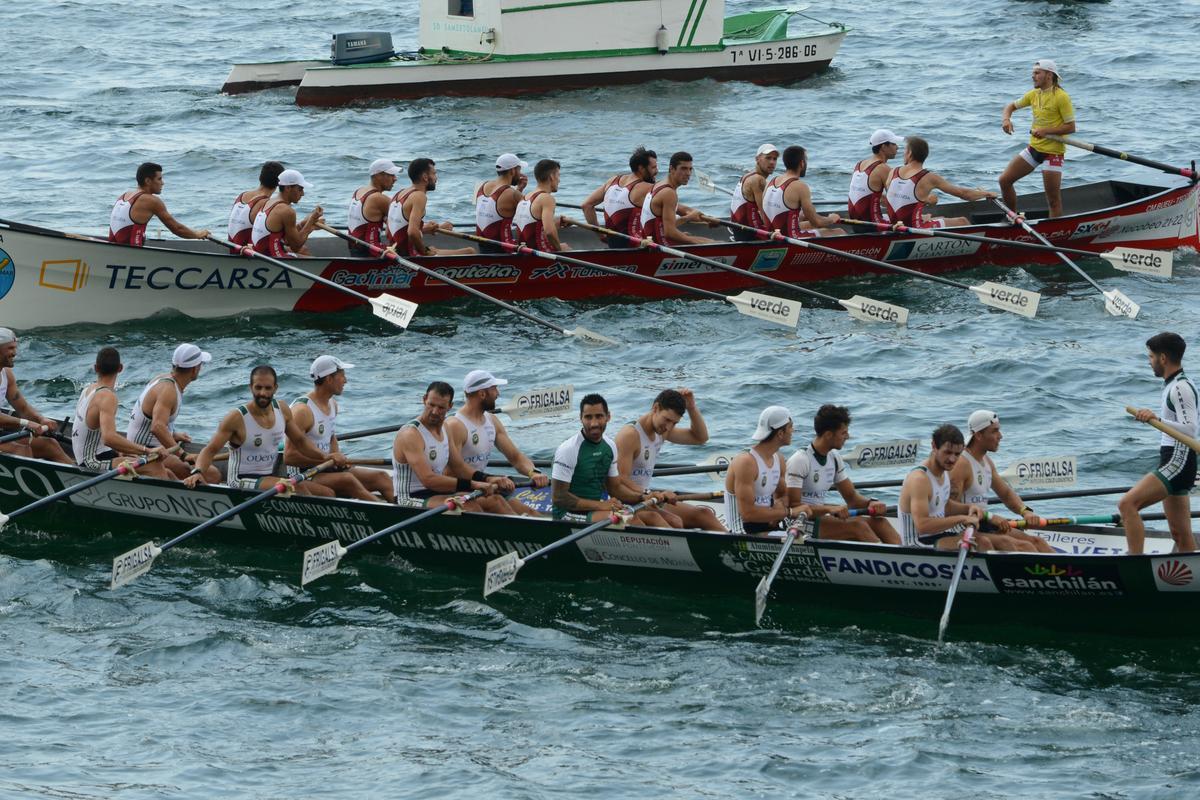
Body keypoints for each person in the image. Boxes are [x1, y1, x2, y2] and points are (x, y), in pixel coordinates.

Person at [183, 365, 345, 495]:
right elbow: (210, 450)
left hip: (267, 478)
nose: (262, 393)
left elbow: (301, 441)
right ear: (250, 387)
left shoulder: (282, 409)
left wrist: (326, 456)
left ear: (275, 388)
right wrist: (197, 472)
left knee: (327, 493)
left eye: (268, 388)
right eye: (258, 387)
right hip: (240, 480)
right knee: (299, 488)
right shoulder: (237, 418)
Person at [1119, 332, 1198, 555]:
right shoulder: (1173, 385)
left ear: (1163, 358)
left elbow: (1190, 429)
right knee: (1181, 534)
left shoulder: (1180, 387)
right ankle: (1191, 580)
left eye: (1151, 356)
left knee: (1127, 505)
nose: (1149, 361)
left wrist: (1155, 420)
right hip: (1175, 459)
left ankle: (1134, 563)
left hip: (1178, 460)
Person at [284, 356, 394, 502]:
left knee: (382, 477)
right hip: (303, 474)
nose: (346, 380)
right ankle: (391, 514)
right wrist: (327, 460)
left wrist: (336, 455)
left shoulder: (332, 404)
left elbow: (331, 437)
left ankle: (406, 509)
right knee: (347, 479)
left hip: (326, 467)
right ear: (329, 379)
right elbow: (289, 457)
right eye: (342, 375)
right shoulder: (302, 411)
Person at [551, 393, 671, 526]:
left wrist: (643, 497)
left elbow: (615, 488)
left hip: (594, 509)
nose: (594, 423)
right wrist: (601, 506)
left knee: (653, 517)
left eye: (599, 416)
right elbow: (559, 498)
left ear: (608, 417)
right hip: (567, 513)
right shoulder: (568, 449)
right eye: (588, 417)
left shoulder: (610, 446)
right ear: (580, 418)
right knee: (631, 520)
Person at [785, 404, 899, 543]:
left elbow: (852, 499)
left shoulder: (834, 457)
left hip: (820, 517)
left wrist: (872, 502)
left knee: (880, 522)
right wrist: (830, 508)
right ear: (828, 435)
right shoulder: (800, 460)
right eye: (843, 433)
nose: (848, 436)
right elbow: (794, 507)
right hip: (799, 523)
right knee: (858, 527)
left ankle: (908, 559)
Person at [615, 388, 724, 531]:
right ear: (655, 408)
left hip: (648, 497)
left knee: (704, 514)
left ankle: (739, 546)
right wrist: (648, 493)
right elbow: (621, 479)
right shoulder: (630, 435)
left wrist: (691, 407)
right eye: (667, 419)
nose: (669, 427)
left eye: (674, 423)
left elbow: (700, 438)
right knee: (675, 522)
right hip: (625, 500)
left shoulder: (662, 431)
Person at [445, 369, 549, 515]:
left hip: (483, 487)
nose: (498, 394)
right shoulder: (455, 425)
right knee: (497, 502)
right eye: (494, 389)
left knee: (531, 513)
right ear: (482, 394)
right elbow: (454, 469)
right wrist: (490, 479)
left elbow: (515, 457)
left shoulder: (492, 420)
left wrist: (533, 473)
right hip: (457, 490)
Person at [391, 381, 509, 510]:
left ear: (450, 406)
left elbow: (459, 467)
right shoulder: (411, 434)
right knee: (470, 506)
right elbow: (428, 479)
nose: (435, 412)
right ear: (424, 400)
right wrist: (474, 485)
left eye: (441, 407)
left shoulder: (445, 428)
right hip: (410, 498)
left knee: (494, 500)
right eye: (431, 405)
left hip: (437, 493)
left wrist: (488, 478)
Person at [949, 410, 1051, 552]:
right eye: (995, 431)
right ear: (978, 435)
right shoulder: (962, 464)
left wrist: (1025, 511)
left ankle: (1066, 571)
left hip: (984, 523)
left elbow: (1006, 494)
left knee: (1037, 541)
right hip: (965, 528)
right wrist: (990, 517)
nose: (1000, 436)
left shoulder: (986, 461)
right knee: (1024, 546)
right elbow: (949, 508)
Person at [898, 424, 1003, 550]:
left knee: (1002, 541)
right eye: (947, 452)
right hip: (917, 543)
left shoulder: (944, 472)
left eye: (957, 454)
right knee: (982, 543)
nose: (952, 459)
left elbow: (945, 505)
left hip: (939, 534)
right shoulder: (919, 479)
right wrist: (962, 519)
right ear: (934, 446)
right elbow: (922, 525)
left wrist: (969, 508)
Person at [70, 347, 172, 478]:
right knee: (154, 466)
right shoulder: (107, 396)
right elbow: (109, 438)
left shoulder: (88, 390)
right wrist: (147, 450)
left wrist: (121, 451)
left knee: (166, 471)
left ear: (95, 368)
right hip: (90, 462)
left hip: (97, 453)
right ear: (120, 368)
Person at [126, 343, 221, 482]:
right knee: (213, 474)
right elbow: (157, 427)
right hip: (145, 453)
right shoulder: (168, 390)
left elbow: (153, 421)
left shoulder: (162, 378)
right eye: (201, 365)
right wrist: (183, 455)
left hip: (151, 447)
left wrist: (172, 434)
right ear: (194, 369)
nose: (201, 368)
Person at [999, 59, 1076, 218]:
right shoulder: (1033, 94)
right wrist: (1006, 120)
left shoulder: (1061, 97)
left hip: (1053, 153)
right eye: (1033, 73)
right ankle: (1012, 217)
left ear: (1049, 75)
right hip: (1034, 149)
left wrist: (1046, 131)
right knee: (1004, 181)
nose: (1033, 76)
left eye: (1036, 73)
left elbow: (1071, 127)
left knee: (1053, 200)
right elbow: (1010, 107)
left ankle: (1056, 231)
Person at [724, 406, 813, 535]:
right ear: (780, 433)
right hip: (743, 531)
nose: (793, 430)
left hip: (768, 524)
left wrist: (779, 506)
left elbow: (783, 496)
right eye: (790, 427)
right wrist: (790, 512)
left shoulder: (779, 459)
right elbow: (747, 514)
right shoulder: (746, 462)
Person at [884, 136, 997, 228]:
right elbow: (964, 194)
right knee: (962, 221)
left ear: (909, 153)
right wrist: (986, 194)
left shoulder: (893, 171)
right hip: (914, 228)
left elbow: (898, 200)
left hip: (894, 225)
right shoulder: (929, 177)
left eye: (904, 150)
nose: (903, 153)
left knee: (940, 217)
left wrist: (922, 210)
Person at [0, 328, 72, 464]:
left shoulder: (7, 374)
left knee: (50, 444)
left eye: (15, 348)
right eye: (10, 348)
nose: (15, 353)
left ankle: (80, 478)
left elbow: (23, 408)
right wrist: (27, 423)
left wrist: (41, 419)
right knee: (21, 451)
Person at [108, 162, 210, 247]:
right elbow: (177, 229)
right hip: (132, 254)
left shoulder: (124, 196)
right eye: (159, 179)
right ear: (148, 181)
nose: (163, 183)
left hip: (115, 248)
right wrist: (198, 234)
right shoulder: (151, 201)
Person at [386, 157, 472, 256]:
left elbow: (390, 230)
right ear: (425, 177)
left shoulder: (399, 194)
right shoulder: (419, 196)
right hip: (410, 255)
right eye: (434, 174)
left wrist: (427, 229)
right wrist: (425, 252)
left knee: (435, 249)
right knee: (470, 251)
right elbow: (412, 233)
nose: (436, 178)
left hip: (396, 251)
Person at [580, 147, 657, 248]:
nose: (657, 171)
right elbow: (675, 208)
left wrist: (601, 235)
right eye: (653, 167)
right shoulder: (646, 187)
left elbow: (586, 205)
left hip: (613, 244)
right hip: (635, 247)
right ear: (641, 168)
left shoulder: (612, 181)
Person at [763, 146, 844, 238]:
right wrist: (832, 219)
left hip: (773, 234)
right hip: (790, 238)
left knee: (810, 223)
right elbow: (817, 222)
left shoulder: (771, 181)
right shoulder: (800, 186)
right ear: (801, 163)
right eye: (806, 160)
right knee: (839, 231)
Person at [638, 151, 715, 246]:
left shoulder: (658, 184)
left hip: (650, 240)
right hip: (659, 245)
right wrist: (699, 242)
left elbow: (661, 223)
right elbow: (669, 233)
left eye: (690, 169)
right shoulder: (669, 193)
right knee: (715, 243)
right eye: (683, 169)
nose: (688, 173)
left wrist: (704, 218)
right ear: (671, 169)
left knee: (695, 238)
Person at [251, 169, 323, 257]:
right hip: (273, 258)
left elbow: (286, 240)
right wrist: (311, 223)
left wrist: (305, 223)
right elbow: (296, 246)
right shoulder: (287, 211)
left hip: (260, 253)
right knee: (312, 260)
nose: (303, 194)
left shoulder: (268, 202)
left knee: (304, 250)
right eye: (300, 189)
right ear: (288, 188)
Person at [847, 130, 902, 230]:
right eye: (894, 144)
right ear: (883, 147)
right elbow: (898, 201)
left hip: (855, 224)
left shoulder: (860, 164)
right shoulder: (883, 168)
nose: (897, 147)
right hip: (874, 226)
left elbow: (870, 194)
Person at [514, 159, 571, 251]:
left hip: (524, 251)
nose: (559, 180)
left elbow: (535, 228)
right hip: (539, 254)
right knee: (567, 248)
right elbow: (549, 232)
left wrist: (557, 222)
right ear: (552, 176)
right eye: (558, 175)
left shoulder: (525, 197)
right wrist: (560, 249)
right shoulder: (546, 198)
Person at [475, 153, 528, 254]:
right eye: (519, 170)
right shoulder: (512, 194)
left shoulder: (482, 186)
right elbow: (531, 215)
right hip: (504, 249)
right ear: (512, 170)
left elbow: (503, 207)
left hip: (483, 247)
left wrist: (519, 189)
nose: (520, 173)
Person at [347, 158, 400, 255]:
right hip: (373, 253)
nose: (395, 178)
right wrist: (428, 229)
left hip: (355, 250)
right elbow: (405, 227)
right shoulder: (378, 198)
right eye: (391, 175)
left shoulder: (359, 192)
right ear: (378, 175)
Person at [228, 161, 284, 247]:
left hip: (233, 247)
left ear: (260, 177)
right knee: (302, 250)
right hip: (247, 254)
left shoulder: (242, 195)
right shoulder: (265, 203)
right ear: (279, 183)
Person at [729, 144, 777, 241]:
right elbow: (764, 213)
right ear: (757, 159)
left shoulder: (747, 175)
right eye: (768, 158)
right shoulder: (758, 180)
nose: (772, 162)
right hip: (751, 234)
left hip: (738, 229)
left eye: (775, 159)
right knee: (804, 225)